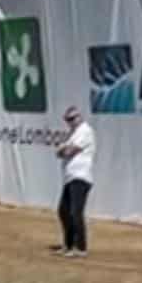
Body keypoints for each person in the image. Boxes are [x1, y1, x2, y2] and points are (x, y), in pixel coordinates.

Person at [55, 106, 97, 258]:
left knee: (75, 212)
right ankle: (68, 245)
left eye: (73, 118)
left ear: (79, 117)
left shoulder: (85, 131)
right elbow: (59, 152)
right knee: (63, 211)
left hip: (81, 177)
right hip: (70, 177)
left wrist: (64, 150)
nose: (70, 122)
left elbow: (68, 151)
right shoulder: (72, 134)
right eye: (68, 120)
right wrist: (64, 150)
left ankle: (81, 247)